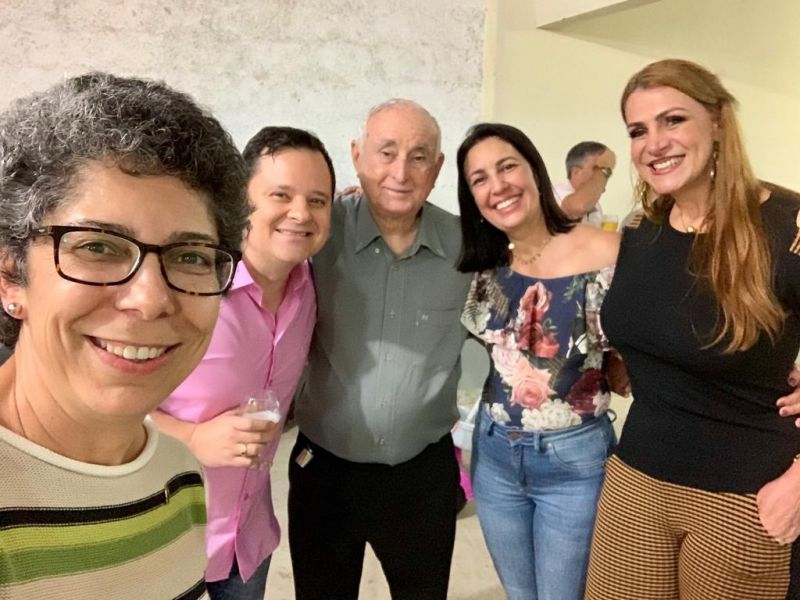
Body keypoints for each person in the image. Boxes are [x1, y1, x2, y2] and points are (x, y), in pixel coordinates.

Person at [0, 72, 249, 598]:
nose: (151, 299)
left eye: (190, 256)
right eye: (97, 246)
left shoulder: (180, 477)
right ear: (11, 275)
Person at [585, 59, 800, 600]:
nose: (654, 144)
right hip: (637, 478)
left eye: (673, 120)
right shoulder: (643, 229)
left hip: (744, 498)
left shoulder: (788, 224)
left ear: (719, 122)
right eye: (638, 130)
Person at [288, 99, 472, 600]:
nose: (401, 172)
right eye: (386, 153)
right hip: (323, 471)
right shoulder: (316, 236)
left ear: (437, 168)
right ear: (356, 156)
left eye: (419, 156)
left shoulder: (468, 248)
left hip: (422, 477)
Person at [153, 127, 334, 598]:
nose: (301, 213)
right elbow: (105, 406)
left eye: (318, 200)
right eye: (281, 195)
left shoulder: (311, 289)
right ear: (241, 199)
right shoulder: (187, 287)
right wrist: (192, 437)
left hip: (248, 541)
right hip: (167, 539)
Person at [455, 123, 620, 600]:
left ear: (535, 169)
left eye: (507, 167)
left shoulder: (604, 252)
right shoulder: (486, 262)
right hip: (493, 456)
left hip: (575, 462)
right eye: (480, 179)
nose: (497, 186)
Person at [553, 141, 616, 226]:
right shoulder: (556, 195)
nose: (603, 177)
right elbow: (578, 206)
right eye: (596, 168)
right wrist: (604, 169)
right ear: (576, 172)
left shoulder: (595, 205)